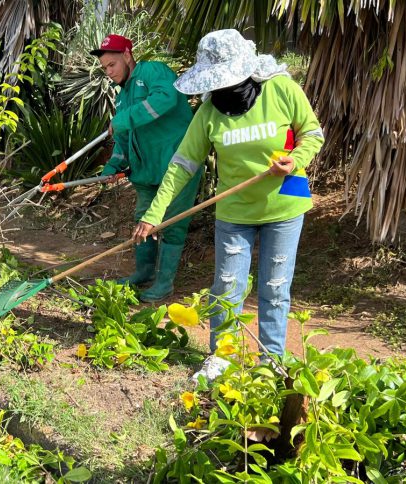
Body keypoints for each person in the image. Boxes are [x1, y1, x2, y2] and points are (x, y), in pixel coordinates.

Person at [131, 29, 325, 378]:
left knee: (275, 288)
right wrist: (153, 214)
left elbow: (313, 133)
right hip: (235, 211)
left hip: (285, 204)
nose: (222, 90)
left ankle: (272, 361)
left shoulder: (281, 89)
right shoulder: (209, 112)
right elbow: (182, 165)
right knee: (226, 287)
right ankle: (222, 356)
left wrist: (295, 160)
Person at [92, 34, 202, 302]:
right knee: (143, 220)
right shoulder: (122, 97)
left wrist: (124, 119)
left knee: (173, 223)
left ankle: (164, 284)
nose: (108, 72)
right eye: (105, 68)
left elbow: (166, 99)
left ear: (127, 56)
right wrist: (113, 165)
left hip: (176, 167)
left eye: (112, 65)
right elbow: (124, 139)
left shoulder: (152, 71)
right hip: (145, 173)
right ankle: (143, 272)